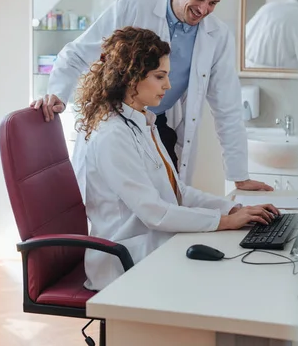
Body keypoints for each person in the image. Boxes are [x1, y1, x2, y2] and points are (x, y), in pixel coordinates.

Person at [32, 0, 272, 193]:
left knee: (169, 196)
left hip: (158, 125)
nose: (203, 9)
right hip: (118, 123)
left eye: (213, 3)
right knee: (117, 202)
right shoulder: (134, 6)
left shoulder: (217, 36)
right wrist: (57, 94)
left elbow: (227, 107)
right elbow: (77, 53)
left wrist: (240, 176)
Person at [76, 27, 279, 290]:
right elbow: (154, 213)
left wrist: (231, 209)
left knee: (236, 259)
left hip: (152, 243)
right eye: (159, 76)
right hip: (123, 259)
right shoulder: (112, 135)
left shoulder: (142, 121)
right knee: (230, 273)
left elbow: (177, 192)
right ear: (130, 77)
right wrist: (224, 222)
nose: (168, 86)